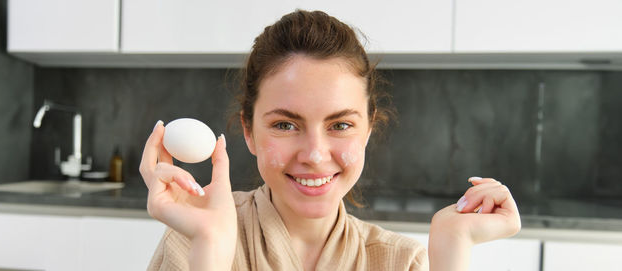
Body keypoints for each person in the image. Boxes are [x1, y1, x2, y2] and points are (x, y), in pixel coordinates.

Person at [140, 10, 521, 271]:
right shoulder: (192, 239)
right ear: (248, 130)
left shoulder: (400, 262)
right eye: (286, 125)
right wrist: (210, 245)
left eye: (340, 125)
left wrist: (452, 247)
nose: (315, 154)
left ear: (368, 129)